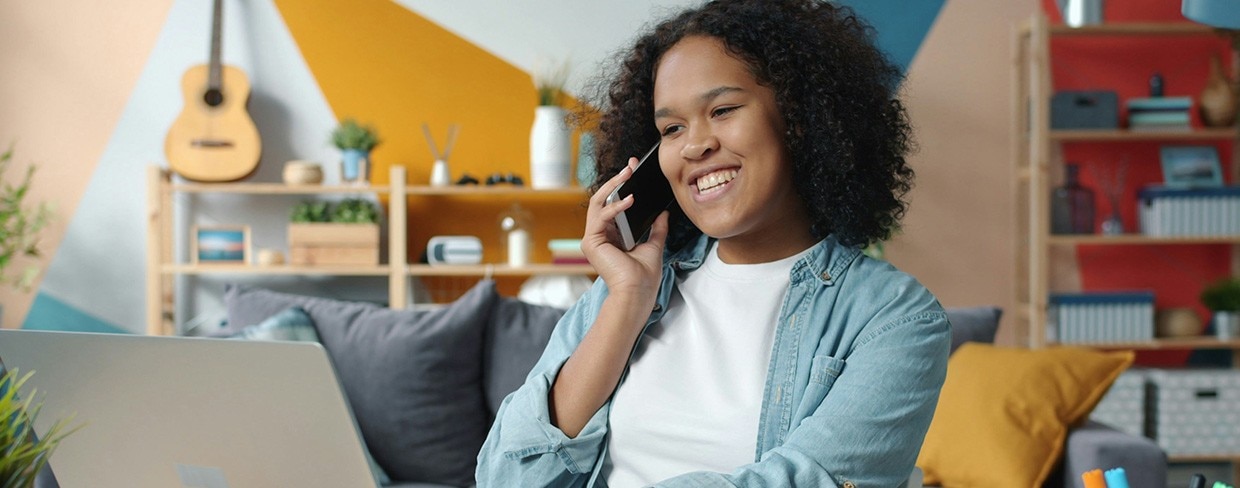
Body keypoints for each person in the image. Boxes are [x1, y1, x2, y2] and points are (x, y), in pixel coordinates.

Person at [477, 1, 950, 486]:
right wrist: (627, 301)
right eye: (671, 128)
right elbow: (507, 475)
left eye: (722, 110)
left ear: (799, 117)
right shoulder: (627, 292)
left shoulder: (896, 319)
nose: (693, 146)